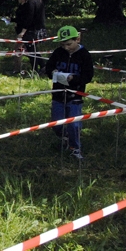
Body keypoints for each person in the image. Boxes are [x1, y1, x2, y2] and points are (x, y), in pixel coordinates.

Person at [45, 26, 93, 160]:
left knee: (74, 124)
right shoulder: (58, 53)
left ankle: (75, 148)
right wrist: (52, 72)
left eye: (69, 44)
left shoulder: (84, 55)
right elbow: (48, 67)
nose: (66, 48)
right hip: (58, 94)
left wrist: (74, 79)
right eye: (63, 45)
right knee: (56, 124)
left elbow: (88, 76)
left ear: (77, 39)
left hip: (75, 95)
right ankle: (65, 137)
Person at [24, 0, 47, 70]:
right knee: (33, 49)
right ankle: (42, 66)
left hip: (33, 30)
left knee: (31, 50)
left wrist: (24, 30)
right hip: (40, 28)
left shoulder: (31, 2)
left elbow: (29, 18)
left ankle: (35, 69)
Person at [13, 0, 36, 73]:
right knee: (23, 50)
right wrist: (12, 20)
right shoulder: (20, 6)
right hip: (20, 30)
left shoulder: (28, 6)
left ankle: (17, 69)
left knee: (18, 50)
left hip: (25, 32)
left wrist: (22, 32)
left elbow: (27, 21)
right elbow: (19, 18)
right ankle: (18, 69)